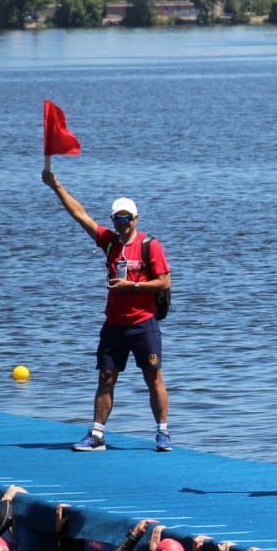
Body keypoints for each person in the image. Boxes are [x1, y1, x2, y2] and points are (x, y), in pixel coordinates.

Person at [42, 170, 173, 453]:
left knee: (153, 377)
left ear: (136, 219)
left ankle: (163, 433)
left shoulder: (151, 246)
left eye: (127, 218)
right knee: (106, 376)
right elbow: (80, 215)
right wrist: (56, 186)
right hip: (114, 325)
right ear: (113, 220)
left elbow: (164, 283)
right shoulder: (109, 242)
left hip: (143, 324)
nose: (123, 223)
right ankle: (97, 434)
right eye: (118, 218)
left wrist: (132, 287)